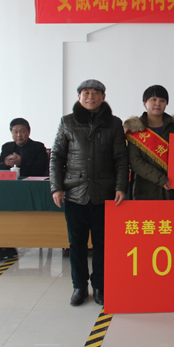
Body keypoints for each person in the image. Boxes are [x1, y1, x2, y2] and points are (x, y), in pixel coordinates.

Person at [50, 79, 129, 307]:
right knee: (77, 244)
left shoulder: (114, 123)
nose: (91, 96)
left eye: (96, 93)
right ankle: (79, 286)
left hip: (104, 194)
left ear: (103, 97)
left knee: (103, 244)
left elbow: (121, 158)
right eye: (86, 93)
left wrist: (120, 186)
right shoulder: (67, 122)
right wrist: (56, 187)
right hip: (75, 193)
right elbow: (57, 157)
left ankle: (100, 286)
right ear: (79, 97)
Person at [0, 118, 49, 261]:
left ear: (28, 132)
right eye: (15, 132)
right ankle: (1, 244)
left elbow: (41, 167)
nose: (19, 135)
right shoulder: (7, 147)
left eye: (22, 131)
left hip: (32, 189)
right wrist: (5, 163)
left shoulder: (38, 147)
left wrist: (22, 162)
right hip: (9, 190)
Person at [124, 85, 174, 200]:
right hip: (145, 191)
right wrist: (161, 179)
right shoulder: (135, 130)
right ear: (145, 103)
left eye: (162, 100)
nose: (158, 104)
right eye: (153, 99)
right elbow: (135, 162)